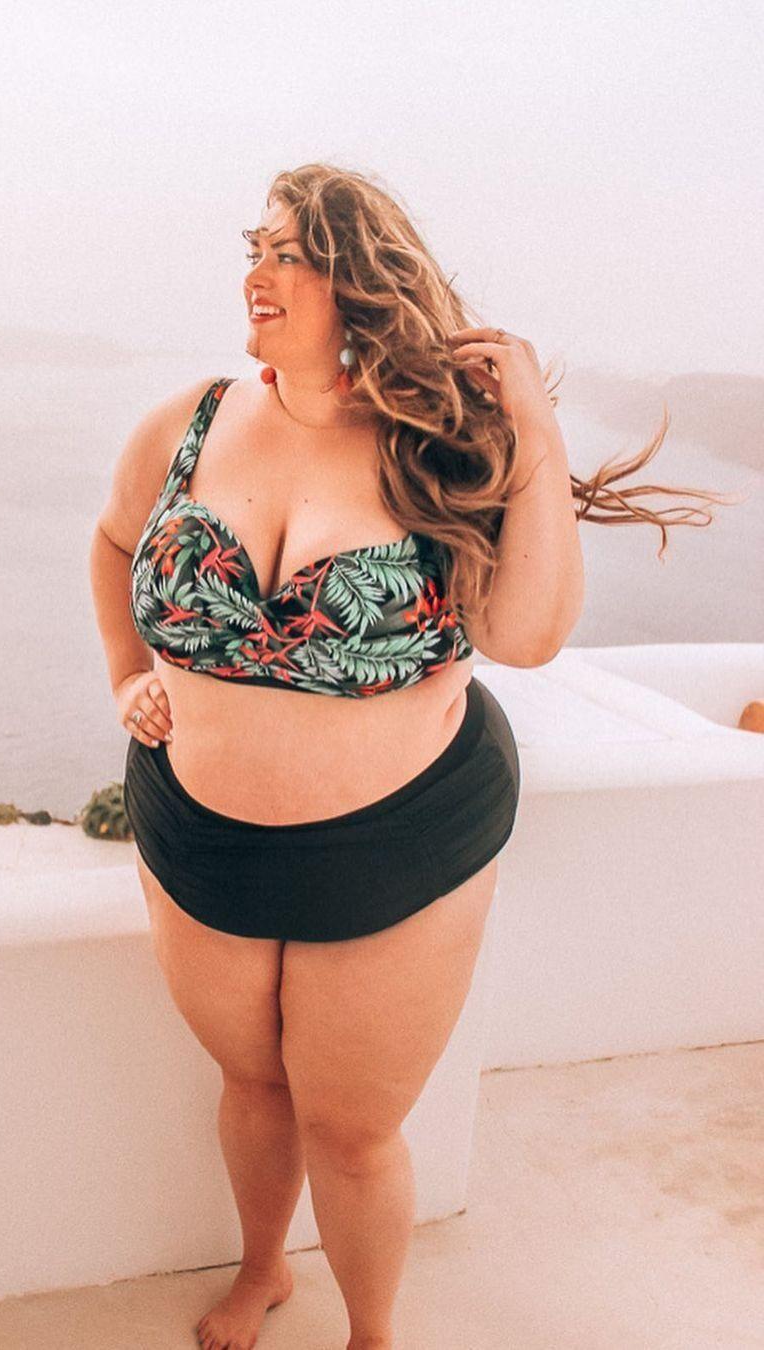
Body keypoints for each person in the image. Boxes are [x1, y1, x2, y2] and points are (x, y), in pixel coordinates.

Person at [88, 163, 728, 1350]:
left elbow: (525, 636)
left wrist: (533, 431)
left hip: (395, 845)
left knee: (352, 1130)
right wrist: (130, 676)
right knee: (252, 1084)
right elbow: (116, 541)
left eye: (288, 253)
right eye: (254, 248)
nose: (258, 273)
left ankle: (372, 1336)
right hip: (197, 830)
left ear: (359, 280)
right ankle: (263, 1271)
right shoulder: (189, 423)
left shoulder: (442, 449)